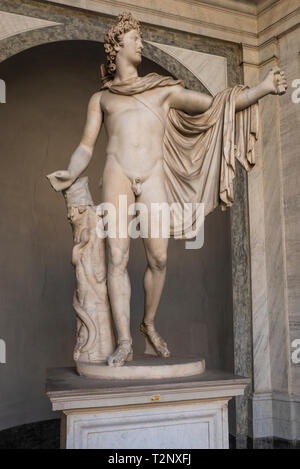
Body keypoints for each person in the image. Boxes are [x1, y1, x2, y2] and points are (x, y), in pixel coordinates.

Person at [47, 12, 287, 367]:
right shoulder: (101, 99)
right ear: (117, 47)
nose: (141, 43)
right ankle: (124, 342)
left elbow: (214, 106)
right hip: (117, 173)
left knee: (158, 257)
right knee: (118, 258)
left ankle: (147, 324)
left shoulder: (162, 90)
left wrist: (261, 89)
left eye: (140, 37)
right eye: (134, 38)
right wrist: (70, 170)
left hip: (153, 175)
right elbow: (86, 145)